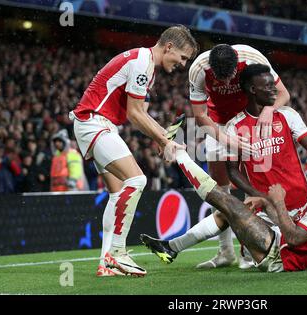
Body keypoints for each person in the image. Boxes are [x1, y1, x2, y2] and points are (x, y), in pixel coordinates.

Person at [69, 25, 198, 277]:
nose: (182, 64)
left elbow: (142, 114)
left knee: (117, 194)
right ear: (169, 47)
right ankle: (118, 253)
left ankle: (106, 263)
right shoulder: (142, 62)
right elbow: (135, 114)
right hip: (94, 122)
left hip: (94, 123)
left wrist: (164, 138)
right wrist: (165, 141)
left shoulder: (145, 64)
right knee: (137, 179)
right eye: (182, 57)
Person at [165, 64, 307, 269]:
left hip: (303, 206)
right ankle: (174, 246)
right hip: (267, 211)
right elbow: (232, 170)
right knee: (238, 222)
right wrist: (260, 196)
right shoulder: (235, 125)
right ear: (252, 89)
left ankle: (172, 246)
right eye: (267, 86)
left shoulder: (286, 114)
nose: (275, 89)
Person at [141, 146, 307, 272]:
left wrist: (278, 202)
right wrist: (267, 203)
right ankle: (171, 247)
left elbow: (294, 239)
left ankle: (180, 154)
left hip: (279, 257)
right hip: (281, 243)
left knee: (224, 201)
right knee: (228, 211)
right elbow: (296, 234)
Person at [188, 43, 291, 268]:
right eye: (219, 79)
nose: (225, 84)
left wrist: (267, 111)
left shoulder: (252, 57)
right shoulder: (198, 69)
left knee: (250, 186)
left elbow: (283, 94)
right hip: (218, 124)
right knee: (218, 189)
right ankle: (225, 252)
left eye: (230, 77)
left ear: (237, 65)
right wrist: (227, 139)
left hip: (251, 122)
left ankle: (251, 251)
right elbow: (199, 116)